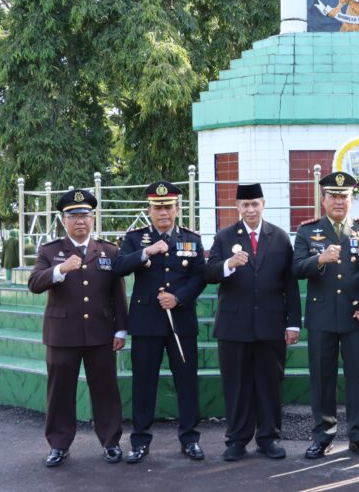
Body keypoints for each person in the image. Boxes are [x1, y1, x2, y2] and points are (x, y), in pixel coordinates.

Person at [28, 189, 127, 467]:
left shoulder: (108, 251)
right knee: (59, 392)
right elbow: (34, 283)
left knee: (106, 391)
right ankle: (59, 445)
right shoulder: (50, 251)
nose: (80, 221)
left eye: (84, 215)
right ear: (63, 220)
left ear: (92, 219)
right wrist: (60, 271)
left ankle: (110, 442)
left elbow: (117, 294)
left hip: (100, 334)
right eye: (73, 216)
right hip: (62, 335)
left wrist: (120, 330)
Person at [205, 183, 301, 461]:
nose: (250, 209)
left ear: (263, 205)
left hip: (270, 325)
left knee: (270, 384)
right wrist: (228, 265)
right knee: (236, 385)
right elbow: (208, 273)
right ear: (237, 207)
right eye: (245, 205)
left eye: (255, 204)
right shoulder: (225, 237)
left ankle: (268, 438)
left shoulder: (280, 237)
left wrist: (292, 323)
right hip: (234, 326)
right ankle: (236, 440)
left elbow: (290, 284)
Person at [113, 181, 206, 464]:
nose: (163, 212)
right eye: (157, 207)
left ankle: (190, 439)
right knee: (144, 383)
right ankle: (140, 441)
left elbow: (200, 276)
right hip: (146, 321)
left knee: (187, 382)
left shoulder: (191, 238)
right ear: (149, 210)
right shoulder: (135, 238)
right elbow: (119, 267)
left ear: (177, 209)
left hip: (180, 322)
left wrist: (178, 298)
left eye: (168, 207)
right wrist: (147, 252)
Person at [293, 172, 359, 459]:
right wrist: (318, 259)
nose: (339, 201)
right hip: (321, 317)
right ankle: (323, 435)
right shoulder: (308, 231)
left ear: (352, 199)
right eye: (333, 196)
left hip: (355, 316)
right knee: (322, 378)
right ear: (323, 199)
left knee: (358, 377)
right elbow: (295, 269)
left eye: (344, 196)